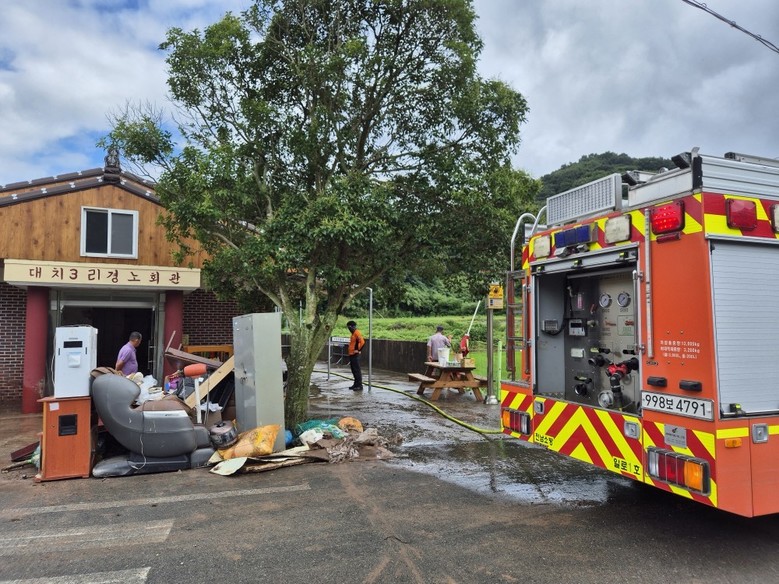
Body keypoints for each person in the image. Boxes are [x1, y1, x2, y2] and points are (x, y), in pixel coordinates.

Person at [346, 320, 366, 391]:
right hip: (351, 354)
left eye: (349, 327)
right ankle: (356, 384)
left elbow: (362, 342)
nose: (349, 329)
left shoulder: (357, 333)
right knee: (354, 370)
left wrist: (358, 350)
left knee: (357, 370)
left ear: (353, 326)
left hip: (355, 354)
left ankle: (359, 385)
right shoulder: (353, 334)